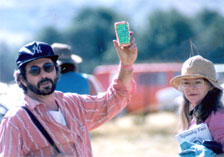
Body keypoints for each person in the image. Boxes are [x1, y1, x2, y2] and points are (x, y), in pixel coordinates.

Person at [0, 31, 137, 156]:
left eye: (48, 67)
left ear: (56, 70)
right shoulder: (15, 121)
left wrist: (126, 64)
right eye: (35, 70)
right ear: (22, 79)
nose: (43, 75)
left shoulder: (74, 104)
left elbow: (114, 100)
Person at [170, 55, 224, 156]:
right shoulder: (195, 116)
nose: (191, 88)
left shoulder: (217, 116)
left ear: (210, 86)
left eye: (198, 82)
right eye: (186, 83)